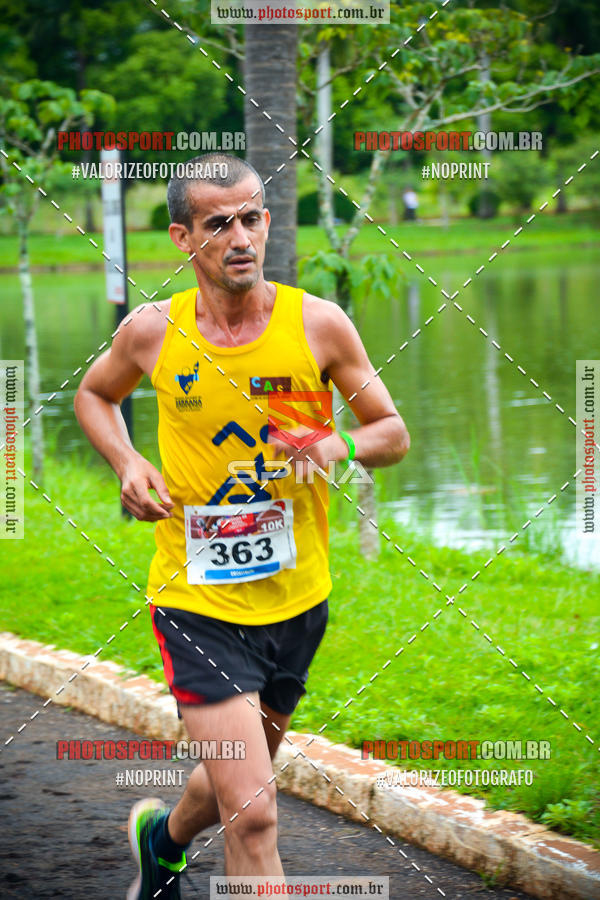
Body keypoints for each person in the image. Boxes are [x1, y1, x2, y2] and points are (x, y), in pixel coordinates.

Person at [74, 152, 410, 899]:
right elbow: (95, 397)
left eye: (252, 218)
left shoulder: (318, 325)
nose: (241, 237)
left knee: (239, 776)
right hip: (197, 603)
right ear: (183, 238)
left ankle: (161, 843)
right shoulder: (152, 332)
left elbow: (392, 431)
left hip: (297, 601)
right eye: (218, 222)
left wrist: (337, 443)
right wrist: (127, 462)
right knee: (255, 817)